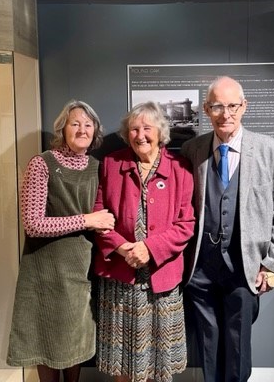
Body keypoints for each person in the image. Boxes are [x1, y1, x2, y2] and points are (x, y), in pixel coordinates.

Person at [181, 76, 274, 382]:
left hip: (246, 267)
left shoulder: (271, 151)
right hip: (201, 268)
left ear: (244, 106)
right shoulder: (192, 150)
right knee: (208, 341)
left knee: (238, 345)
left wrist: (273, 264)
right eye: (218, 106)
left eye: (233, 105)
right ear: (207, 108)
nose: (225, 113)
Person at [7, 100, 115, 382]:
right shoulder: (42, 164)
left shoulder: (97, 167)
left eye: (88, 125)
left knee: (74, 341)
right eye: (75, 123)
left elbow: (107, 217)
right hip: (44, 270)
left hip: (79, 269)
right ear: (62, 129)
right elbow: (33, 225)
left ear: (95, 132)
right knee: (45, 340)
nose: (82, 129)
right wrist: (87, 220)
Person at [93, 101, 195, 382]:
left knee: (159, 363)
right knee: (123, 360)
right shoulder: (112, 164)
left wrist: (150, 249)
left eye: (147, 128)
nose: (140, 135)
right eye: (134, 129)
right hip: (121, 278)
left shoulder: (180, 168)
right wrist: (122, 246)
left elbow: (186, 225)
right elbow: (98, 215)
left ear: (160, 132)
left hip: (161, 279)